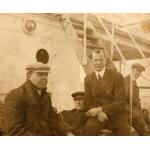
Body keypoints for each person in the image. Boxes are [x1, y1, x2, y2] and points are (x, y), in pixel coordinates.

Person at [3, 62, 73, 136]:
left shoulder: (45, 97)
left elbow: (54, 119)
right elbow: (15, 131)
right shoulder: (15, 95)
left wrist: (68, 133)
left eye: (46, 75)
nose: (44, 78)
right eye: (40, 74)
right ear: (29, 76)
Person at [83, 49, 129, 136]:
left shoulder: (117, 76)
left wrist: (101, 109)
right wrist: (98, 113)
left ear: (105, 60)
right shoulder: (88, 79)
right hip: (97, 116)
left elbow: (120, 101)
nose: (98, 63)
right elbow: (88, 102)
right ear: (91, 61)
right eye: (95, 60)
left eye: (101, 59)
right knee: (88, 129)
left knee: (124, 133)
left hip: (116, 115)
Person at [124, 63, 150, 135]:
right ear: (132, 69)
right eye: (137, 71)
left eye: (140, 72)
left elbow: (135, 100)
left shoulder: (133, 82)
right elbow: (122, 102)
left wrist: (141, 110)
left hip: (135, 111)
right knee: (146, 130)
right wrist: (133, 112)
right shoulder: (125, 82)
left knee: (146, 117)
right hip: (128, 113)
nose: (139, 73)